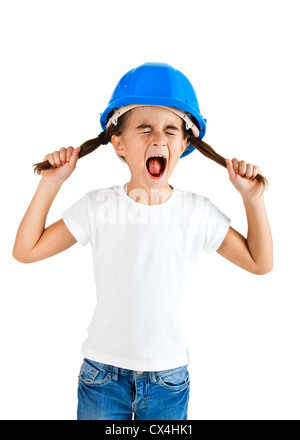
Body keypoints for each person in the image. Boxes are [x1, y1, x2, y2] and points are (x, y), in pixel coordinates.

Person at [12, 62, 273, 420]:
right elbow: (25, 250)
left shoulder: (198, 212)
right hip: (102, 377)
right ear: (118, 142)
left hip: (168, 380)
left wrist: (251, 198)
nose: (159, 139)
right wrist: (51, 183)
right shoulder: (97, 206)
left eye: (170, 130)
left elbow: (260, 262)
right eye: (145, 128)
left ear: (184, 144)